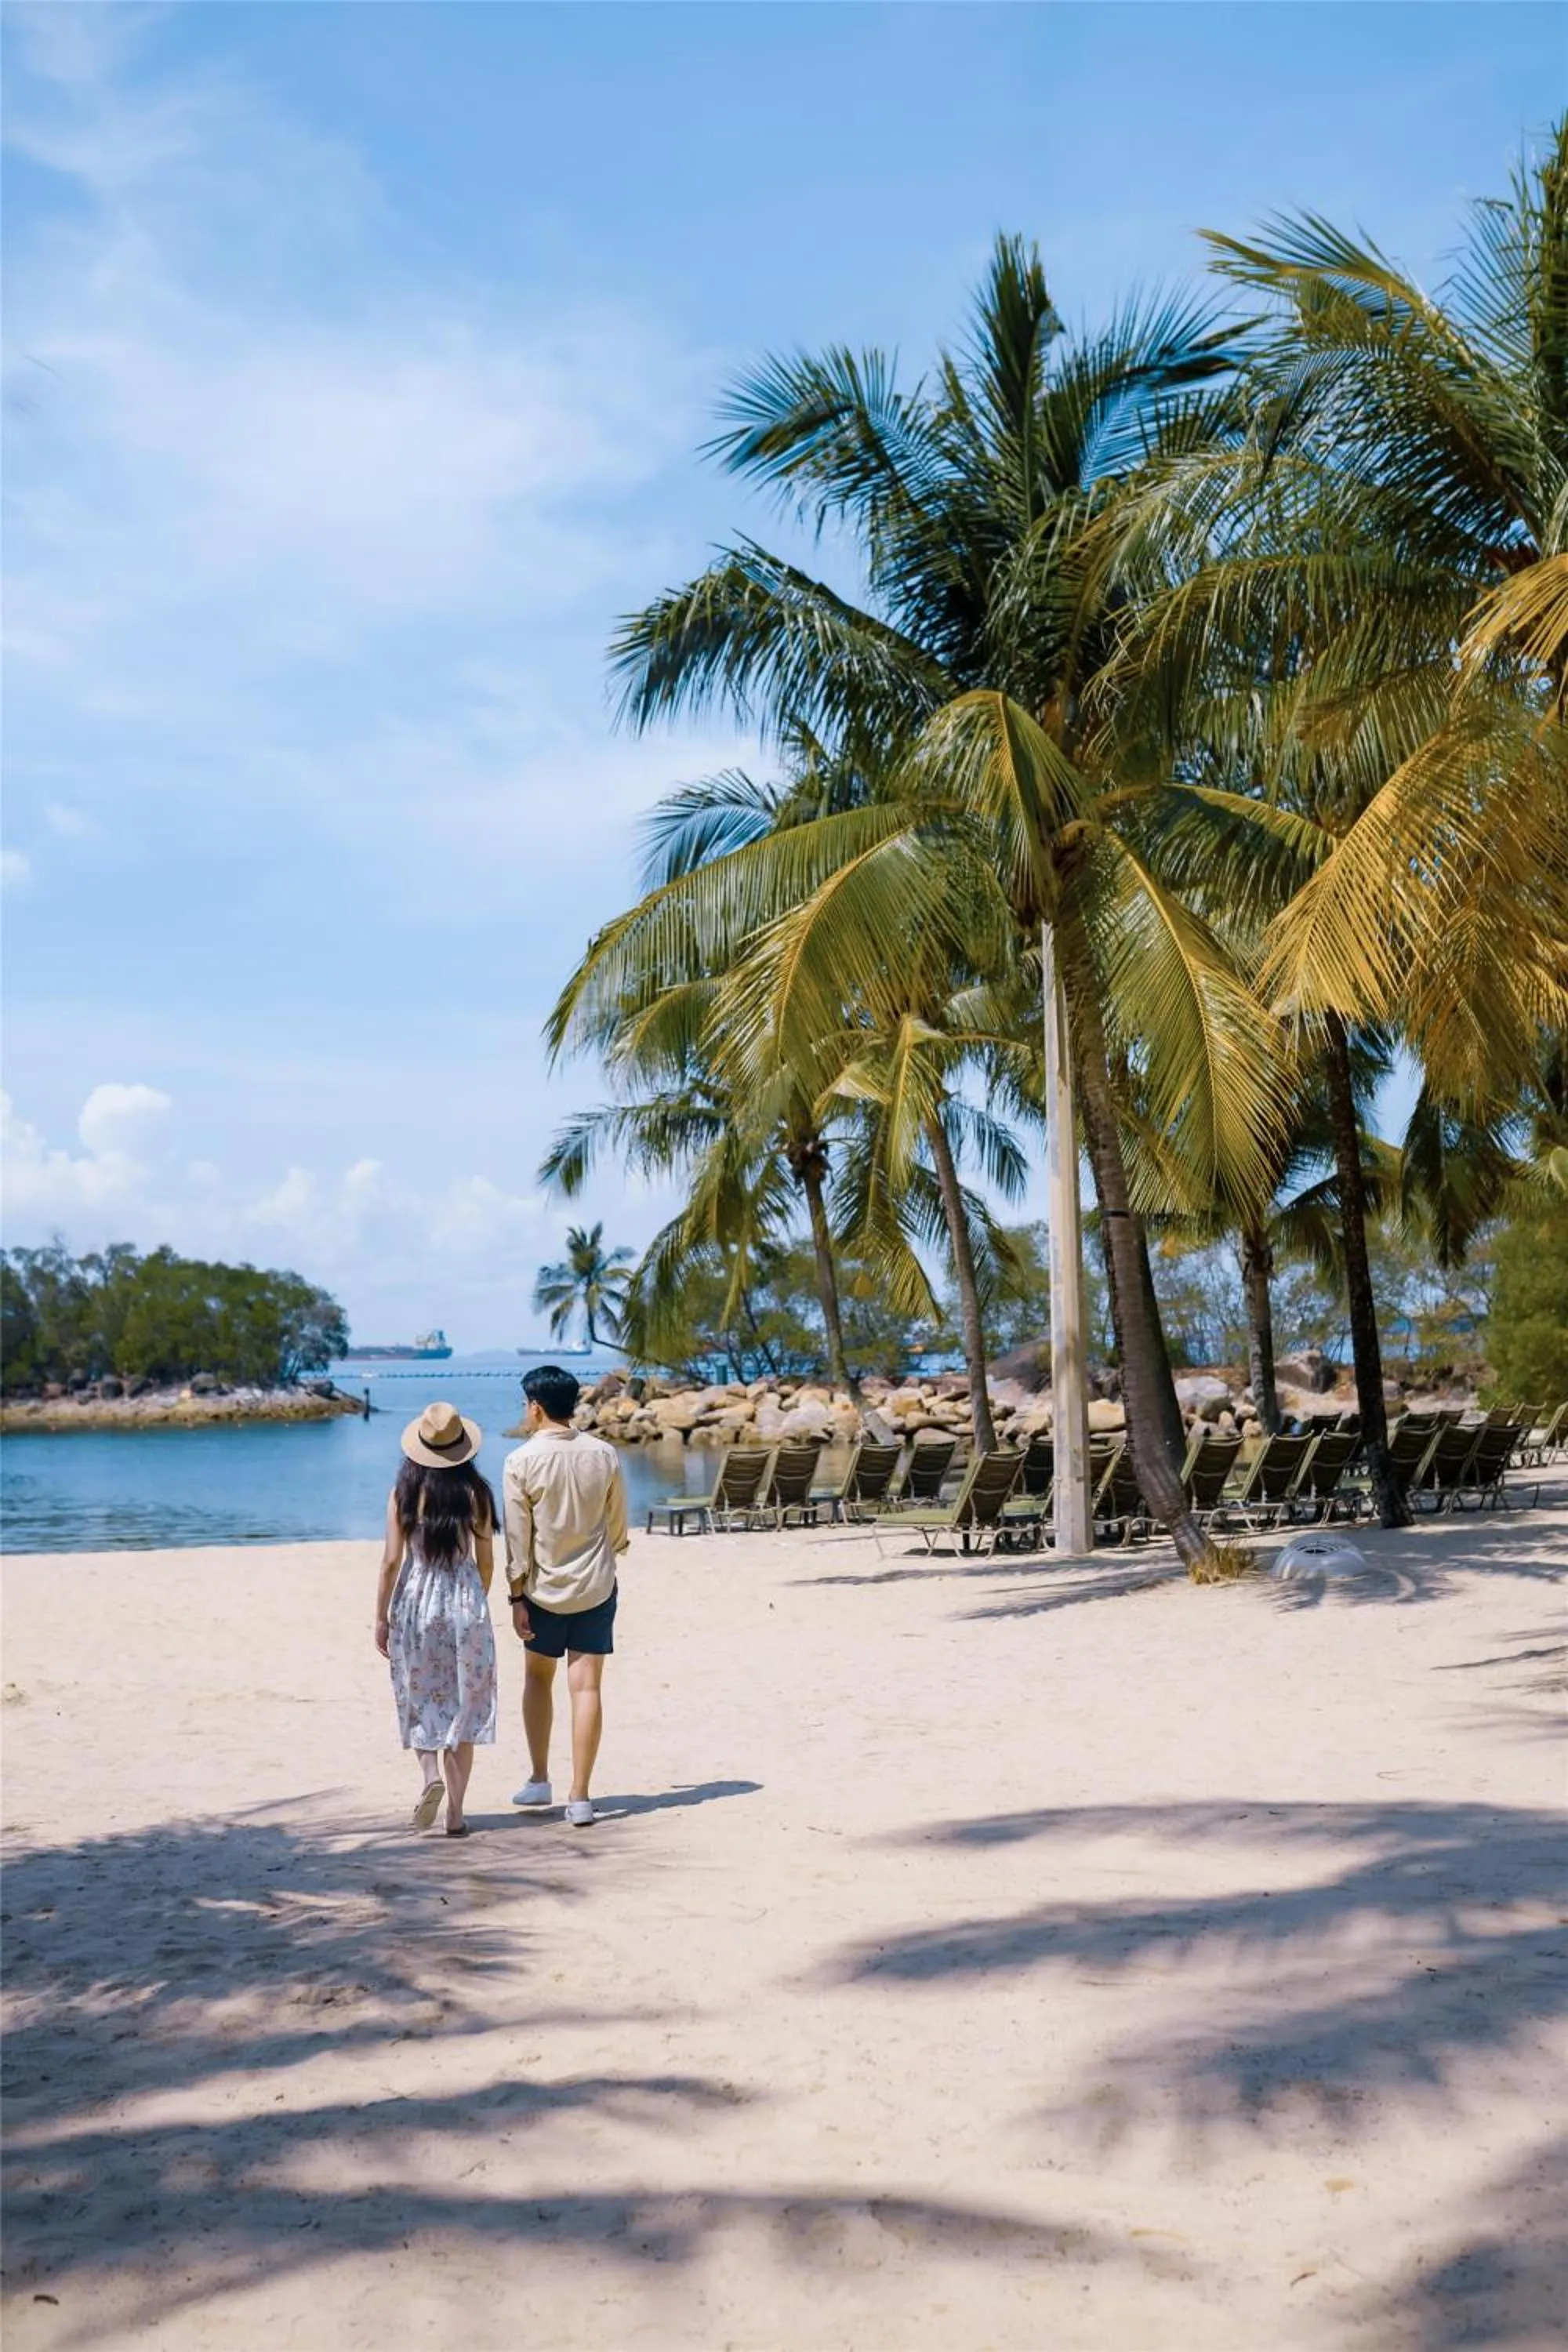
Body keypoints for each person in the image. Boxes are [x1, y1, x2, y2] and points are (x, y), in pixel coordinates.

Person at [503, 1363, 629, 1826]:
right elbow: (617, 1523)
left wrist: (516, 1597)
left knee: (538, 1679)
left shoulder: (520, 1461)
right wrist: (611, 1552)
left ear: (536, 1407)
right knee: (588, 1686)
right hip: (596, 1584)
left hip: (543, 1589)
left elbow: (518, 1540)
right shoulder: (604, 1453)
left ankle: (539, 1778)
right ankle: (580, 1796)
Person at [374, 1401, 499, 1837]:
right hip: (465, 1604)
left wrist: (381, 1618)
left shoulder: (403, 1492)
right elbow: (487, 1561)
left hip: (416, 1603)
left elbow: (391, 1561)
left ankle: (430, 1776)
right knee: (465, 1705)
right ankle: (457, 1814)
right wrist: (474, 1603)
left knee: (420, 1695)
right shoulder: (478, 1494)